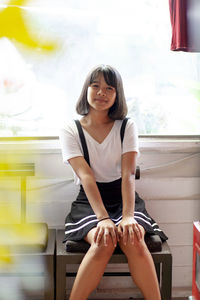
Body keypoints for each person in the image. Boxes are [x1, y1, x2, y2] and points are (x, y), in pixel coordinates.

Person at [59, 64, 168, 300]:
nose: (101, 93)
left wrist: (128, 216)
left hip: (124, 198)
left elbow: (128, 174)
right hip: (89, 201)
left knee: (135, 239)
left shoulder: (126, 126)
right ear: (86, 90)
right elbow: (86, 177)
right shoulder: (71, 129)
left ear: (117, 94)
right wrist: (103, 219)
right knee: (103, 240)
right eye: (95, 86)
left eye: (109, 88)